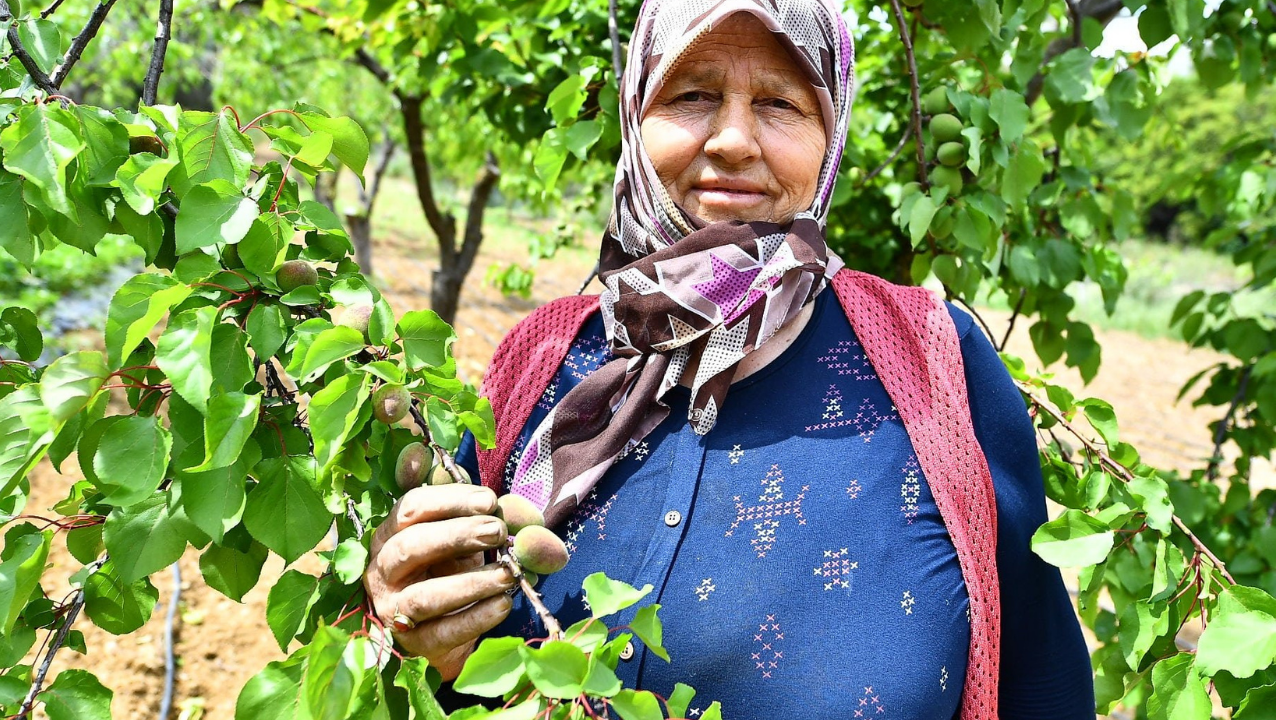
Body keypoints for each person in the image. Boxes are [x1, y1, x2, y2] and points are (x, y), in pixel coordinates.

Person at [363, 0, 1096, 716]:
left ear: (830, 133)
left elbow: (1043, 683)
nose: (734, 141)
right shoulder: (542, 359)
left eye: (780, 103)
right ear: (636, 113)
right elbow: (441, 655)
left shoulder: (938, 365)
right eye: (693, 93)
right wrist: (405, 611)